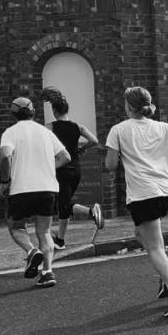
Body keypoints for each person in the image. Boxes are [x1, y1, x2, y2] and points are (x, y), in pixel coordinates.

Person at [104, 86, 168, 318]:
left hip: (143, 194)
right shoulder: (162, 127)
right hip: (166, 192)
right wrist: (166, 160)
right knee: (142, 235)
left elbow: (110, 165)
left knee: (154, 247)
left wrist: (119, 154)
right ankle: (165, 277)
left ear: (128, 105)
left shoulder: (118, 130)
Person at [0, 96, 71, 287]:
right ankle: (47, 272)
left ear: (13, 114)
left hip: (21, 189)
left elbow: (5, 156)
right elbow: (65, 156)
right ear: (33, 112)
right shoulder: (45, 132)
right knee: (44, 231)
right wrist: (48, 168)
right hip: (47, 188)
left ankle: (31, 251)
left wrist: (5, 182)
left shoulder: (10, 132)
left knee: (16, 227)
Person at [41, 87, 104, 249]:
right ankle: (60, 239)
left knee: (62, 205)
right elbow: (94, 140)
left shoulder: (50, 127)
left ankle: (91, 212)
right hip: (76, 170)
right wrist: (82, 149)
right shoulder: (78, 127)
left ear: (54, 111)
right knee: (63, 204)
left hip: (61, 170)